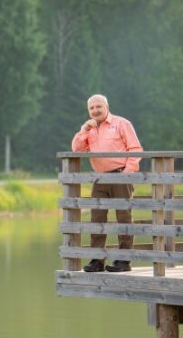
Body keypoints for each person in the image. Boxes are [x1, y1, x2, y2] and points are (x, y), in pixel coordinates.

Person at [71, 94, 142, 272]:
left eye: (98, 107)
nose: (95, 110)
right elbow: (77, 149)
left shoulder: (121, 123)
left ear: (106, 106)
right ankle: (97, 261)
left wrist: (127, 174)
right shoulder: (89, 129)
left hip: (120, 176)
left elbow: (135, 148)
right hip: (100, 178)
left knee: (123, 217)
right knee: (97, 218)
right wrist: (83, 129)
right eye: (91, 108)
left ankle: (124, 262)